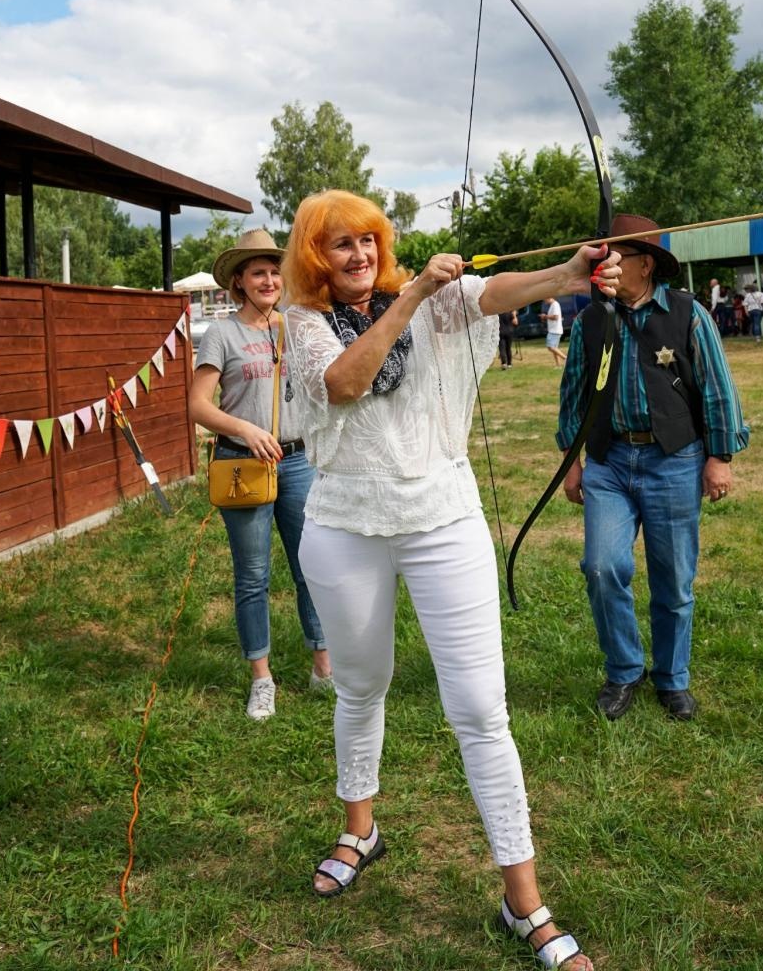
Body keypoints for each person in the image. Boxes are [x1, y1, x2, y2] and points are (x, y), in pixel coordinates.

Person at [281, 190, 622, 970]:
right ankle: (359, 828)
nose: (360, 255)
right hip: (343, 524)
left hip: (443, 519)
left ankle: (522, 900)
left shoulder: (439, 300)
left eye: (368, 241)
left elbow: (500, 291)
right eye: (340, 246)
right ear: (315, 258)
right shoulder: (304, 324)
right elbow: (343, 382)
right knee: (361, 686)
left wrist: (569, 273)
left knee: (479, 709)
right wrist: (412, 297)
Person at [559, 214, 749, 724]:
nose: (605, 267)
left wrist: (719, 457)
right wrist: (571, 462)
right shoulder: (589, 320)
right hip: (608, 462)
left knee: (673, 578)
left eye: (614, 258)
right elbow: (574, 393)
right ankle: (624, 669)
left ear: (643, 265)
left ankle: (671, 678)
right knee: (602, 567)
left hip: (674, 460)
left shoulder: (689, 313)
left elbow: (716, 388)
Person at [189, 229, 333, 720]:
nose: (269, 280)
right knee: (253, 576)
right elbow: (197, 406)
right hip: (242, 464)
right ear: (239, 282)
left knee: (311, 566)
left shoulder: (297, 326)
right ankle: (262, 679)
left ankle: (323, 666)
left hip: (298, 462)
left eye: (275, 271)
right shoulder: (222, 334)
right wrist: (246, 430)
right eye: (258, 273)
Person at [539, 296, 566, 367]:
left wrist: (545, 316)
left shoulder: (555, 305)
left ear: (549, 297)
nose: (545, 301)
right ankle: (558, 365)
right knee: (554, 348)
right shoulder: (553, 305)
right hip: (554, 330)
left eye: (545, 299)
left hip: (554, 330)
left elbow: (556, 317)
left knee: (550, 347)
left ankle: (565, 359)